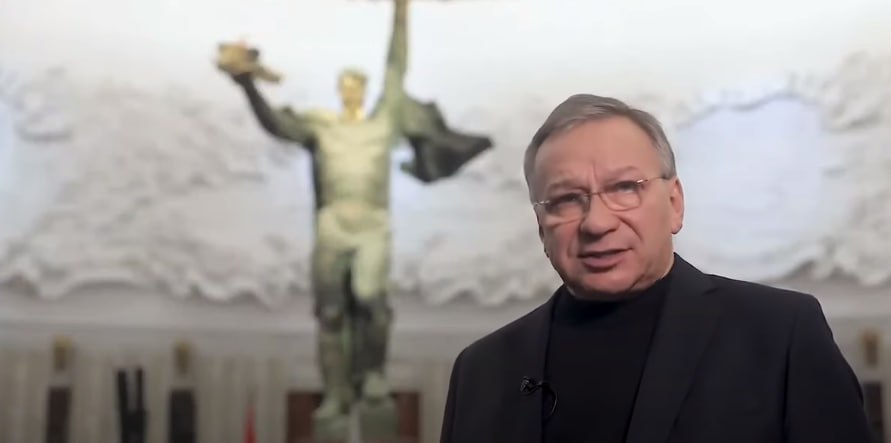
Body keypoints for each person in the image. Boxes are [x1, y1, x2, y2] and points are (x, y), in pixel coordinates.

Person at [438, 94, 874, 443]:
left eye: (625, 188)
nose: (597, 223)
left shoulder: (780, 334)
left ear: (674, 204)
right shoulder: (481, 370)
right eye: (567, 199)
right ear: (541, 225)